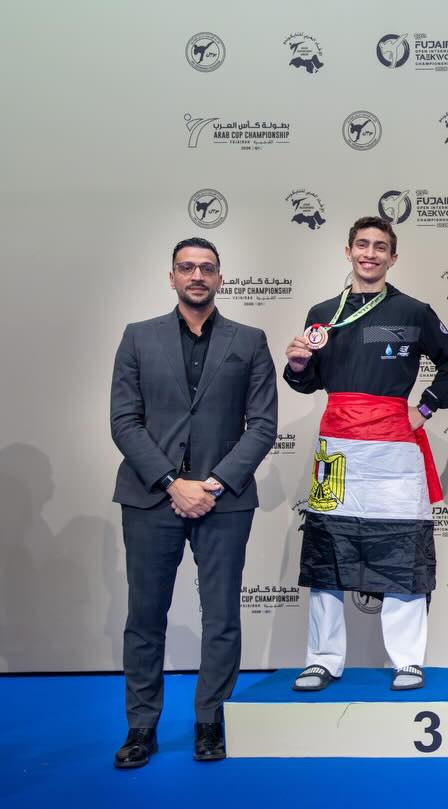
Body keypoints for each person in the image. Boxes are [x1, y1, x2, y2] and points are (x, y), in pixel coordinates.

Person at [109, 237, 278, 767]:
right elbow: (124, 421)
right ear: (173, 277)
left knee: (222, 616)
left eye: (206, 268)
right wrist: (170, 481)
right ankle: (141, 727)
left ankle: (211, 721)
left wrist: (214, 483)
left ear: (220, 278)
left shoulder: (250, 341)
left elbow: (263, 425)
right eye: (187, 267)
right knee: (145, 616)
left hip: (224, 502)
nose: (197, 275)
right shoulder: (138, 337)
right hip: (149, 498)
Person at [284, 216, 448, 692]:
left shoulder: (413, 311)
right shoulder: (323, 312)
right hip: (338, 446)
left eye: (380, 246)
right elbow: (308, 379)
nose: (370, 253)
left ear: (393, 257)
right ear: (348, 251)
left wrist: (425, 407)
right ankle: (323, 659)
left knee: (401, 549)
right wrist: (298, 366)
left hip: (393, 447)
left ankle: (407, 660)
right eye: (362, 245)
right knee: (328, 551)